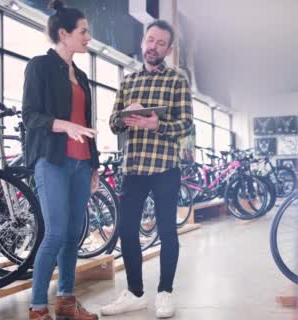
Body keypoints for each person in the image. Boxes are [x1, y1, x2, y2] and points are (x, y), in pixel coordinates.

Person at [100, 20, 193, 318]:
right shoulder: (128, 81)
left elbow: (187, 124)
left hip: (165, 166)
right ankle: (135, 293)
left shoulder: (177, 80)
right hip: (134, 166)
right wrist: (126, 115)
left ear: (168, 49)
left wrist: (158, 124)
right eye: (150, 40)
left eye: (161, 43)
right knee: (126, 231)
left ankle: (165, 292)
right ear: (143, 42)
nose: (154, 46)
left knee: (167, 231)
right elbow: (114, 124)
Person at [22, 0, 100, 319]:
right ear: (64, 34)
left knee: (73, 234)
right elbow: (30, 116)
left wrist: (94, 166)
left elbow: (87, 122)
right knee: (54, 233)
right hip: (52, 160)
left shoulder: (81, 77)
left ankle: (66, 299)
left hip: (81, 164)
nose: (88, 37)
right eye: (83, 31)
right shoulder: (39, 66)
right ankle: (39, 307)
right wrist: (63, 125)